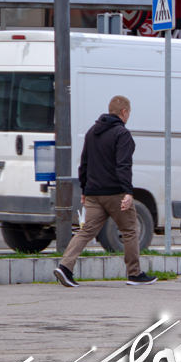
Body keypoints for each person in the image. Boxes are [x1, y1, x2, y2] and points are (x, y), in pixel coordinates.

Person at [54, 95, 156, 288]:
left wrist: (85, 189)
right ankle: (134, 274)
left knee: (86, 231)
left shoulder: (92, 132)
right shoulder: (122, 134)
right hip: (115, 193)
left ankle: (65, 267)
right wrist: (128, 192)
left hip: (93, 193)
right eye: (129, 113)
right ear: (124, 112)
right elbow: (123, 165)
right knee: (130, 230)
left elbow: (84, 164)